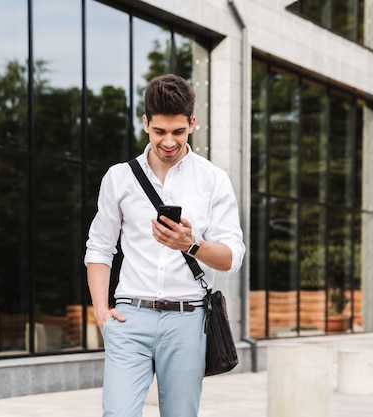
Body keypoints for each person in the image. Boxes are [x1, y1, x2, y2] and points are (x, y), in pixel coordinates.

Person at [84, 74, 245, 417]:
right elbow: (99, 248)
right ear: (145, 124)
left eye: (178, 131)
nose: (168, 141)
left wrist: (193, 245)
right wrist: (101, 312)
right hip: (130, 317)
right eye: (159, 132)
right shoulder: (119, 177)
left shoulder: (213, 179)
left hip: (188, 320)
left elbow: (232, 257)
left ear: (191, 123)